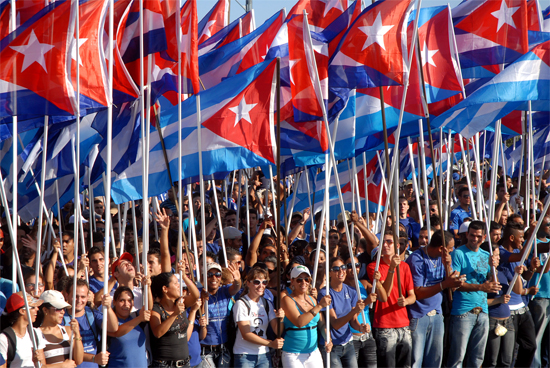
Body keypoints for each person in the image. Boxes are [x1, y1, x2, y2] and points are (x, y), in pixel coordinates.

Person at [406, 230, 463, 368]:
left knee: (435, 360)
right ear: (441, 248)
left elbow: (451, 285)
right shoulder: (416, 259)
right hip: (419, 316)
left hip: (437, 314)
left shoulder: (443, 258)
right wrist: (444, 284)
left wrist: (447, 266)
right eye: (450, 249)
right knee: (416, 361)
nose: (451, 251)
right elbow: (417, 292)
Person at [446, 221, 500, 368]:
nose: (474, 239)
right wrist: (481, 287)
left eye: (478, 236)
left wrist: (494, 267)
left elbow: (494, 284)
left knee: (477, 358)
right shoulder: (458, 253)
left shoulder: (486, 255)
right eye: (471, 235)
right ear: (467, 234)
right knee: (457, 357)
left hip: (482, 311)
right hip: (463, 311)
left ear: (483, 237)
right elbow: (455, 284)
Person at [367, 230, 415, 367]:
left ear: (397, 245)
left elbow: (412, 296)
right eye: (383, 242)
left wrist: (406, 301)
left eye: (389, 242)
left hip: (404, 324)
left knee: (405, 365)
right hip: (384, 325)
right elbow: (384, 295)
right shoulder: (374, 267)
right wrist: (392, 269)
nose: (386, 245)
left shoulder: (405, 267)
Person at [319, 257, 368, 368]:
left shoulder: (351, 291)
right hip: (331, 346)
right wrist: (354, 311)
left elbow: (353, 320)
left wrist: (361, 328)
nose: (341, 271)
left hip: (348, 343)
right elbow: (335, 324)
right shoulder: (324, 293)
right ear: (329, 273)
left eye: (343, 267)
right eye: (336, 269)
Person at [280, 265, 332, 368]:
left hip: (313, 352)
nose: (304, 282)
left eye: (306, 279)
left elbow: (321, 324)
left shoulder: (312, 299)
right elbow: (299, 322)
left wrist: (328, 338)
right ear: (292, 281)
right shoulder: (287, 300)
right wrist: (320, 305)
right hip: (292, 354)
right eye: (299, 280)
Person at [233, 267, 285, 368]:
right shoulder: (241, 304)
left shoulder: (267, 303)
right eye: (257, 282)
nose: (261, 286)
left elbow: (277, 330)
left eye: (264, 282)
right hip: (244, 354)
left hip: (263, 354)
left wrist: (281, 319)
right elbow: (246, 334)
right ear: (248, 283)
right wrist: (271, 344)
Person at [63, 279, 118, 368]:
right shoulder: (61, 318)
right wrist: (94, 358)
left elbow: (113, 328)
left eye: (83, 297)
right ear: (67, 295)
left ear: (88, 297)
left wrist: (108, 308)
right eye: (75, 296)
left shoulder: (92, 314)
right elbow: (72, 352)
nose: (79, 300)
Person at [150, 272, 200, 368]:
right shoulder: (156, 308)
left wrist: (184, 277)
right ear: (165, 289)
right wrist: (175, 314)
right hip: (165, 365)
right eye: (176, 283)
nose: (179, 286)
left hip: (185, 363)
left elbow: (196, 295)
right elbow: (158, 332)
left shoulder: (180, 302)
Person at [200, 263, 242, 367]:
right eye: (210, 274)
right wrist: (201, 299)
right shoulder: (199, 293)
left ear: (221, 277)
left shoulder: (224, 291)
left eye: (217, 274)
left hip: (223, 348)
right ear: (204, 277)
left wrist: (237, 280)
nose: (214, 278)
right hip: (205, 349)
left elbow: (236, 288)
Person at [344, 257, 379, 368]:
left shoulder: (363, 283)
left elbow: (384, 297)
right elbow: (349, 314)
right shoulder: (342, 288)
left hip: (367, 335)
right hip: (351, 337)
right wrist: (367, 301)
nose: (353, 268)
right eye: (349, 266)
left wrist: (377, 282)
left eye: (357, 265)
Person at [107, 286, 151, 368]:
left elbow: (149, 308)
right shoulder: (109, 321)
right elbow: (117, 332)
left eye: (129, 300)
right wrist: (140, 318)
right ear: (114, 302)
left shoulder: (135, 316)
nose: (126, 304)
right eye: (122, 300)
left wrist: (147, 286)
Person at [38, 290, 83, 367]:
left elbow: (78, 360)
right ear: (45, 310)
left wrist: (77, 334)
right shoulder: (36, 333)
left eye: (63, 309)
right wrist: (62, 366)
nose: (62, 312)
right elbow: (40, 366)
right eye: (58, 308)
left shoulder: (68, 330)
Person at [0, 292, 45, 368]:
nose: (37, 309)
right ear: (22, 311)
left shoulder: (36, 333)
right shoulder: (4, 339)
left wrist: (38, 363)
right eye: (33, 307)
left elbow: (43, 365)